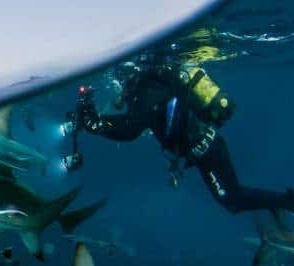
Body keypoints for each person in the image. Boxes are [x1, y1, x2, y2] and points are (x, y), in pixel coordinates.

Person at [73, 53, 294, 214]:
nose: (121, 87)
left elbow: (129, 129)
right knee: (232, 199)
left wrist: (94, 122)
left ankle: (287, 202)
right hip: (209, 146)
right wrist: (95, 119)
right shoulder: (156, 84)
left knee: (232, 200)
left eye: (121, 81)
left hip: (207, 152)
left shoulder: (146, 93)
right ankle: (283, 203)